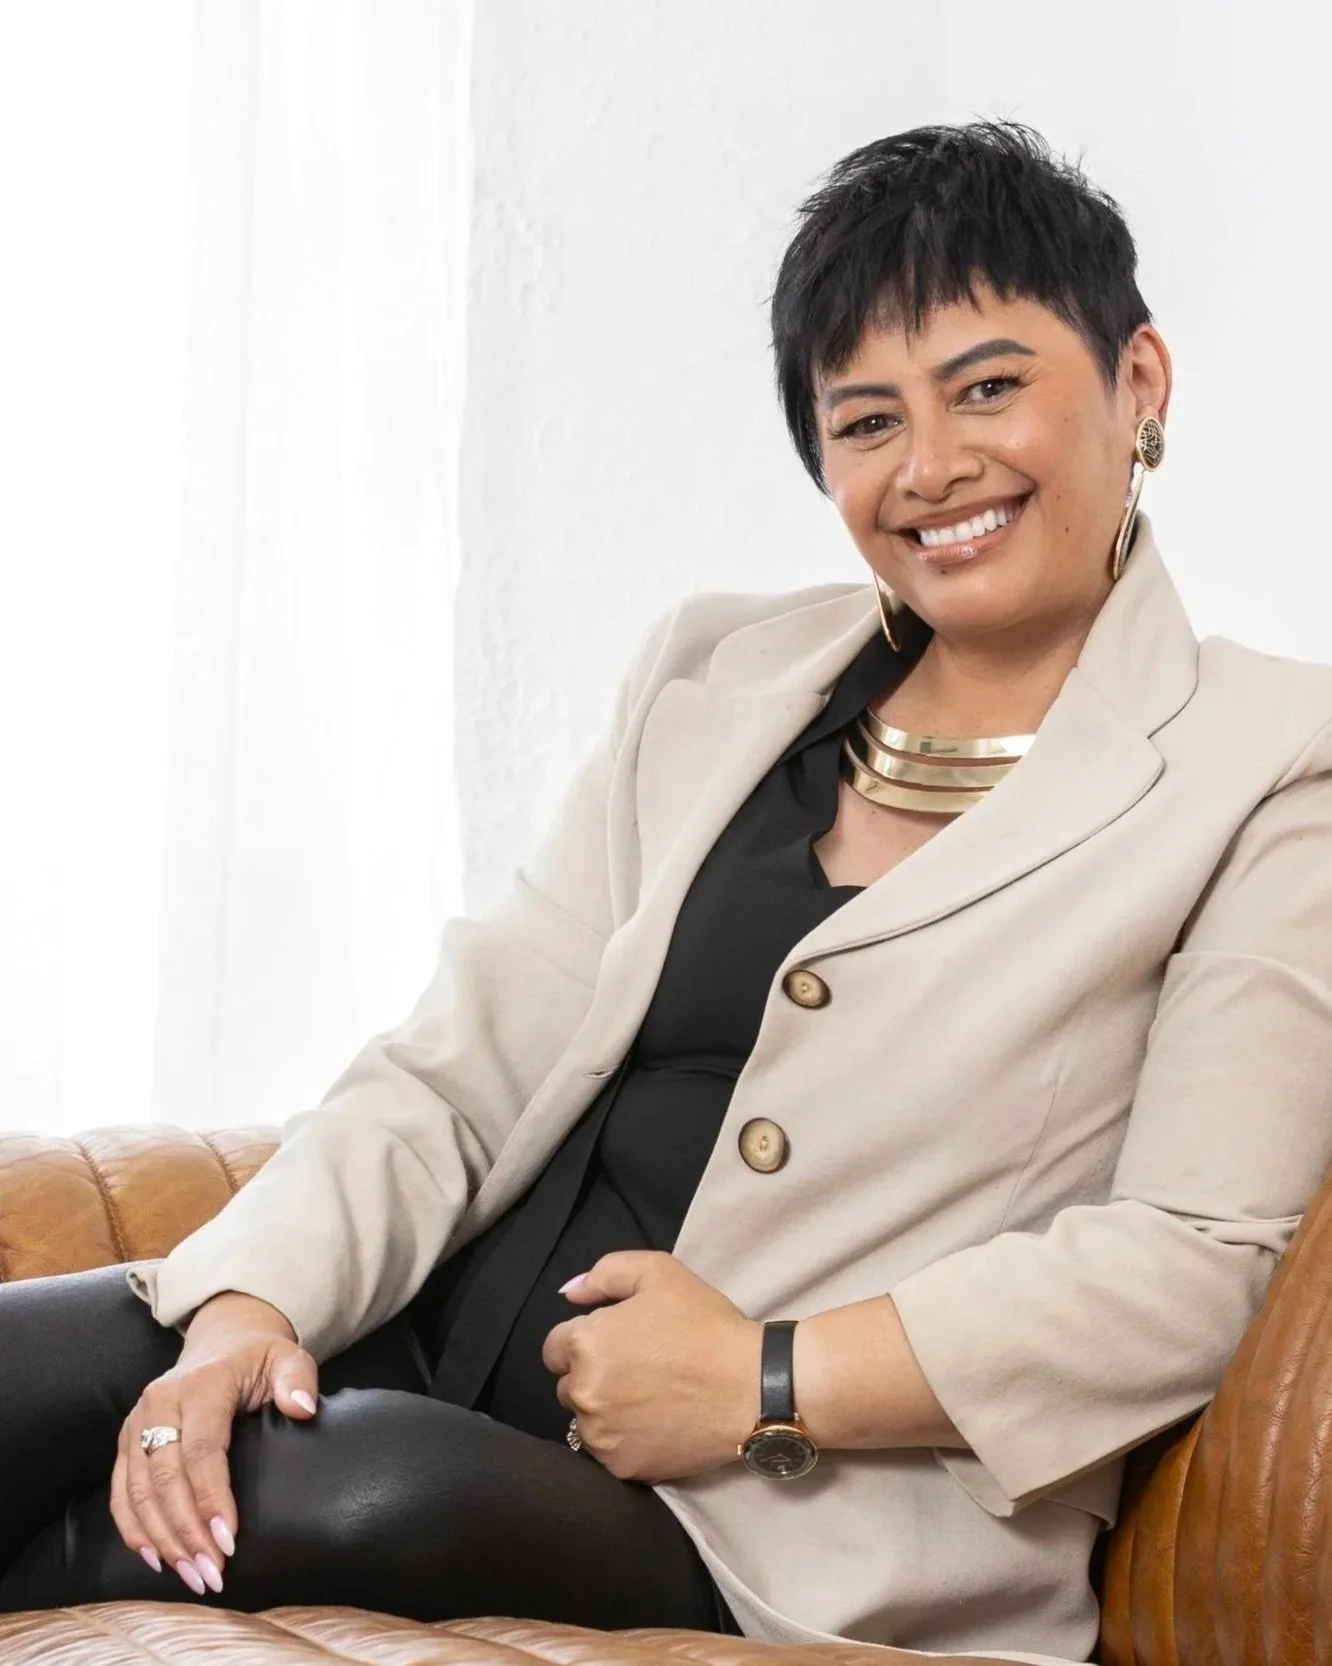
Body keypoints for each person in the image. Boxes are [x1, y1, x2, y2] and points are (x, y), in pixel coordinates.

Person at [4, 121, 1332, 1666]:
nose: (932, 466)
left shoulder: (1273, 765)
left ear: (1139, 384)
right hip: (428, 1334)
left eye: (988, 386)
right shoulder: (718, 670)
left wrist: (769, 1376)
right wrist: (249, 1304)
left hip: (758, 1501)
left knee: (329, 1489)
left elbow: (1195, 1254)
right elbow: (461, 1067)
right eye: (864, 418)